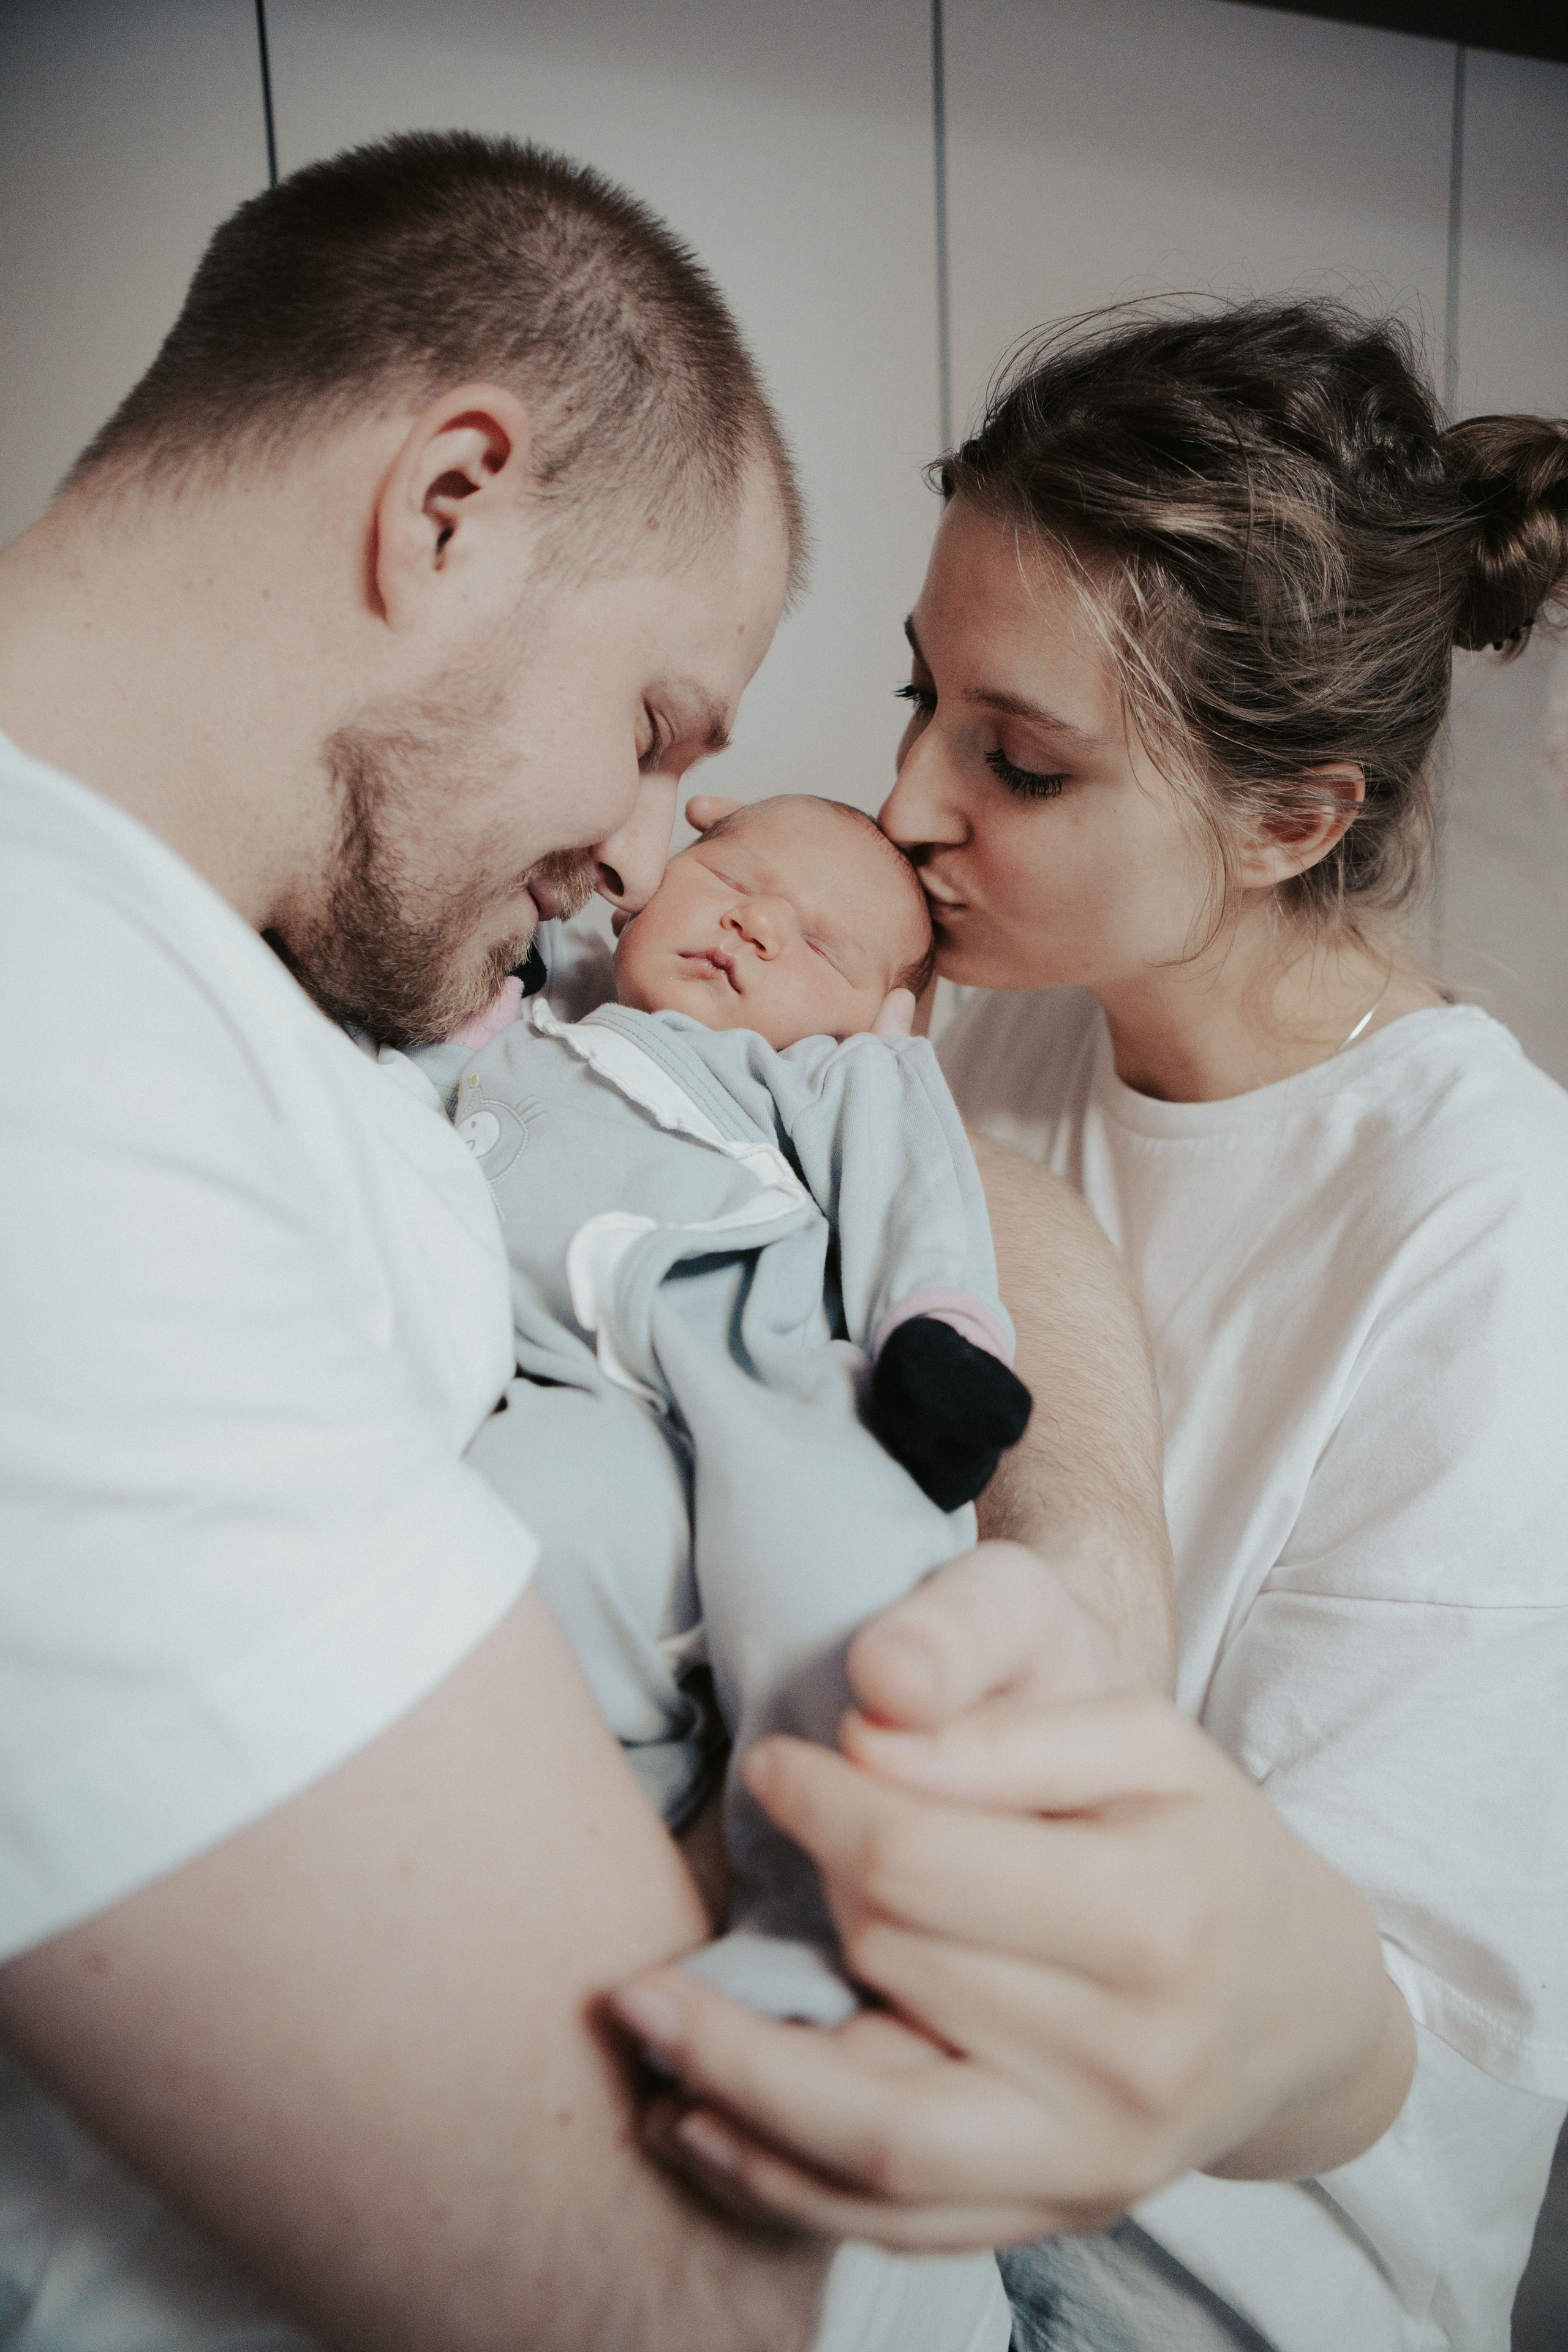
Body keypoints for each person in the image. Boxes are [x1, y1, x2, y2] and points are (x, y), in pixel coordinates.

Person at [0, 134, 1172, 2352]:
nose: (650, 855)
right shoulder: (55, 1082)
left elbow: (898, 1153)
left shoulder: (277, 964)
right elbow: (662, 2283)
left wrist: (1088, 1531)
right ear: (448, 505)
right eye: (653, 733)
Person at [606, 301, 1568, 2352]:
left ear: (1292, 820)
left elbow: (1413, 2042)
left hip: (1203, 2265)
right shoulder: (993, 1027)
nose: (905, 802)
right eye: (922, 697)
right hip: (881, 2086)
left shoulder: (1492, 1236)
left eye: (1021, 762)